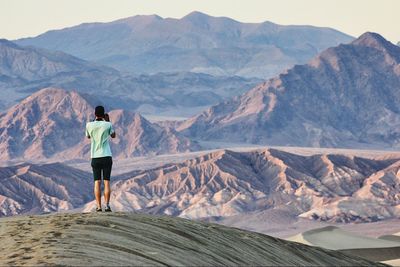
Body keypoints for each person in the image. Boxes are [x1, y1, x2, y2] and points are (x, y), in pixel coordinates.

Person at [85, 106, 116, 212]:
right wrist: (108, 121)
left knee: (97, 182)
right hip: (106, 156)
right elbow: (113, 136)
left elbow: (88, 136)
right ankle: (107, 205)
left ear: (95, 114)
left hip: (95, 157)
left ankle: (98, 207)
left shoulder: (89, 125)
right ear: (103, 114)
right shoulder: (108, 124)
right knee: (107, 182)